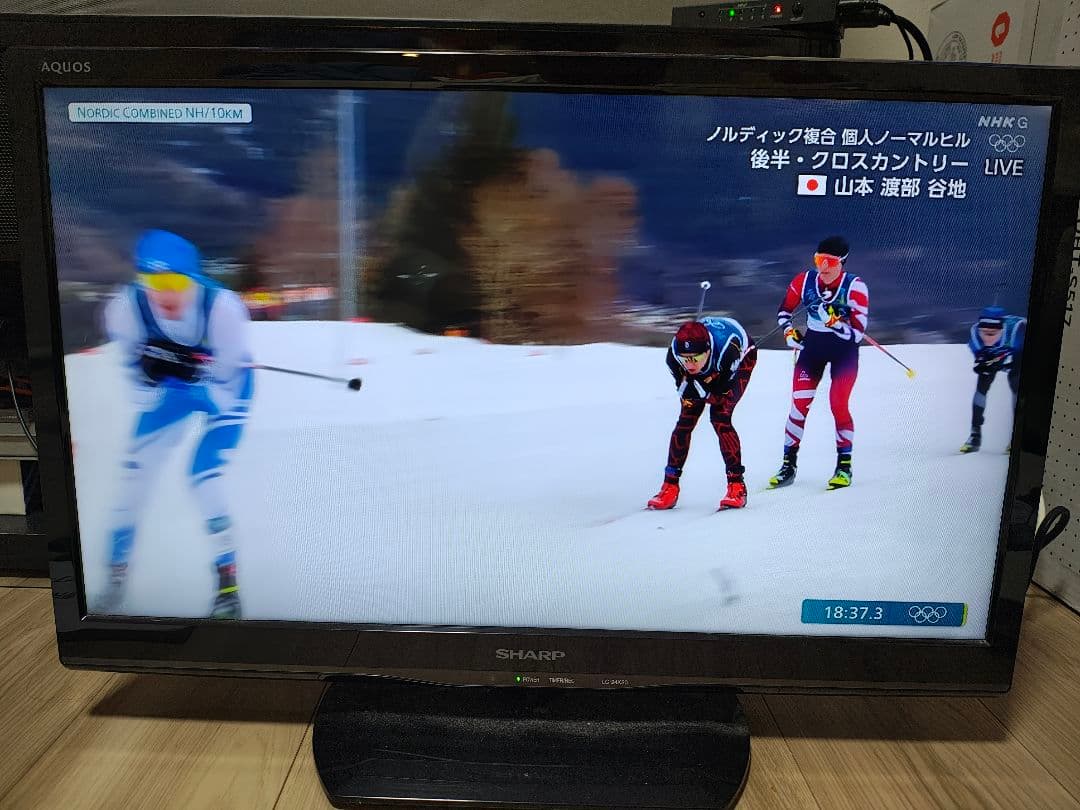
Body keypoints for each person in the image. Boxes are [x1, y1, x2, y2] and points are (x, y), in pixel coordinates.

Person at [98, 229, 254, 619]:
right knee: (133, 481)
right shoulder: (126, 310)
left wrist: (193, 372)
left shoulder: (223, 310)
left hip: (225, 391)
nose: (164, 295)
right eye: (153, 283)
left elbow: (226, 392)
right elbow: (139, 395)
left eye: (176, 283)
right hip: (169, 394)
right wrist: (150, 375)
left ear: (194, 280)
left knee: (202, 475)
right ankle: (115, 579)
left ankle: (228, 587)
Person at [769, 236, 869, 490]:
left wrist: (833, 322)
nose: (823, 267)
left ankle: (844, 467)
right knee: (798, 405)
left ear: (842, 263)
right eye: (818, 260)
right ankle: (788, 466)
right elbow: (784, 311)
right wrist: (789, 332)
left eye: (829, 262)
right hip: (812, 348)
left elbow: (857, 335)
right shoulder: (804, 281)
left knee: (838, 404)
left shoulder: (855, 287)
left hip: (843, 352)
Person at [647, 316, 756, 511]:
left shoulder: (727, 352)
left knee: (720, 418)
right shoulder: (673, 358)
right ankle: (669, 486)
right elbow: (687, 390)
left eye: (695, 358)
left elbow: (720, 395)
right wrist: (693, 388)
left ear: (707, 351)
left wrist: (706, 390)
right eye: (685, 359)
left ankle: (737, 485)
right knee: (685, 422)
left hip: (742, 355)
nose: (690, 365)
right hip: (711, 361)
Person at [961, 305, 1025, 453]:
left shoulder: (1017, 330)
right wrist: (983, 362)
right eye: (984, 332)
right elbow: (980, 357)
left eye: (993, 333)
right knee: (982, 385)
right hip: (1001, 353)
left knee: (1015, 382)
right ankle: (975, 435)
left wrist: (1006, 363)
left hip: (1018, 352)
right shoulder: (975, 334)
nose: (987, 337)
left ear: (1002, 328)